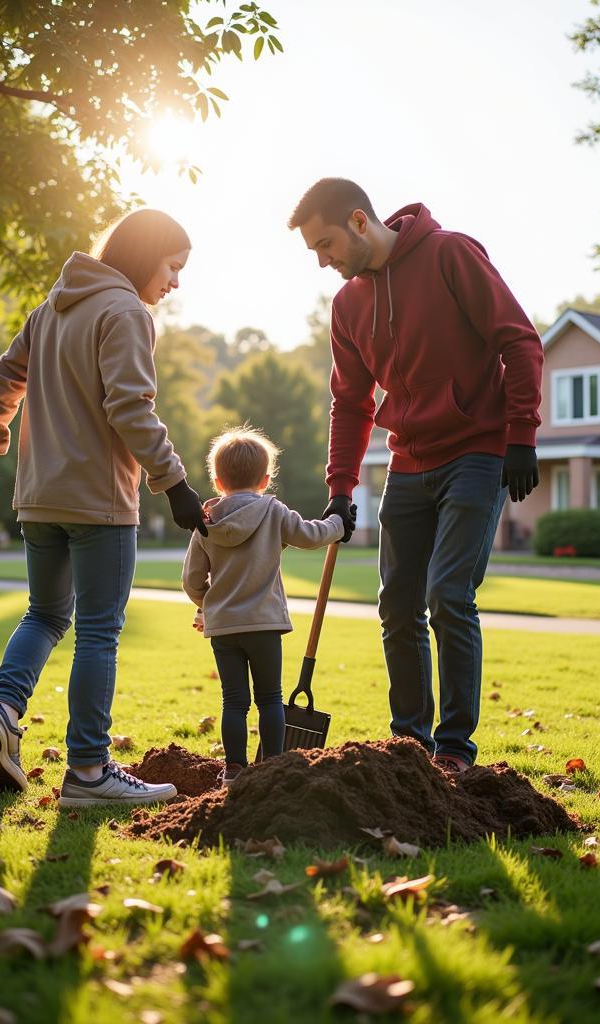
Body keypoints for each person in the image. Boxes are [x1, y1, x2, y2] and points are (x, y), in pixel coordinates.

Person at [288, 178, 543, 775]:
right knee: (397, 607)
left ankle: (453, 749)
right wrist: (341, 488)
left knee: (448, 595)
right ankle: (409, 747)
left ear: (358, 220)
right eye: (313, 253)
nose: (323, 261)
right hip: (407, 462)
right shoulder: (347, 305)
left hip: (477, 453)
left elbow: (519, 341)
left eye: (325, 245)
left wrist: (521, 435)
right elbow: (349, 402)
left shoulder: (450, 253)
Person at [0, 208, 208, 807]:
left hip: (39, 497)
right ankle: (90, 773)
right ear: (146, 255)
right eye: (173, 267)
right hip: (98, 501)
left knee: (44, 615)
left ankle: (3, 712)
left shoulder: (50, 310)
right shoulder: (126, 311)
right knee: (99, 630)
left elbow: (3, 380)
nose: (175, 282)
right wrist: (174, 483)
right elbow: (130, 408)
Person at [182, 426, 347, 786]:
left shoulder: (205, 522)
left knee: (234, 701)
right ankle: (274, 767)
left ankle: (234, 770)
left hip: (224, 628)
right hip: (264, 624)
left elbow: (192, 581)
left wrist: (207, 605)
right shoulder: (273, 511)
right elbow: (310, 535)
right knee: (270, 698)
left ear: (217, 480)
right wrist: (338, 522)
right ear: (266, 479)